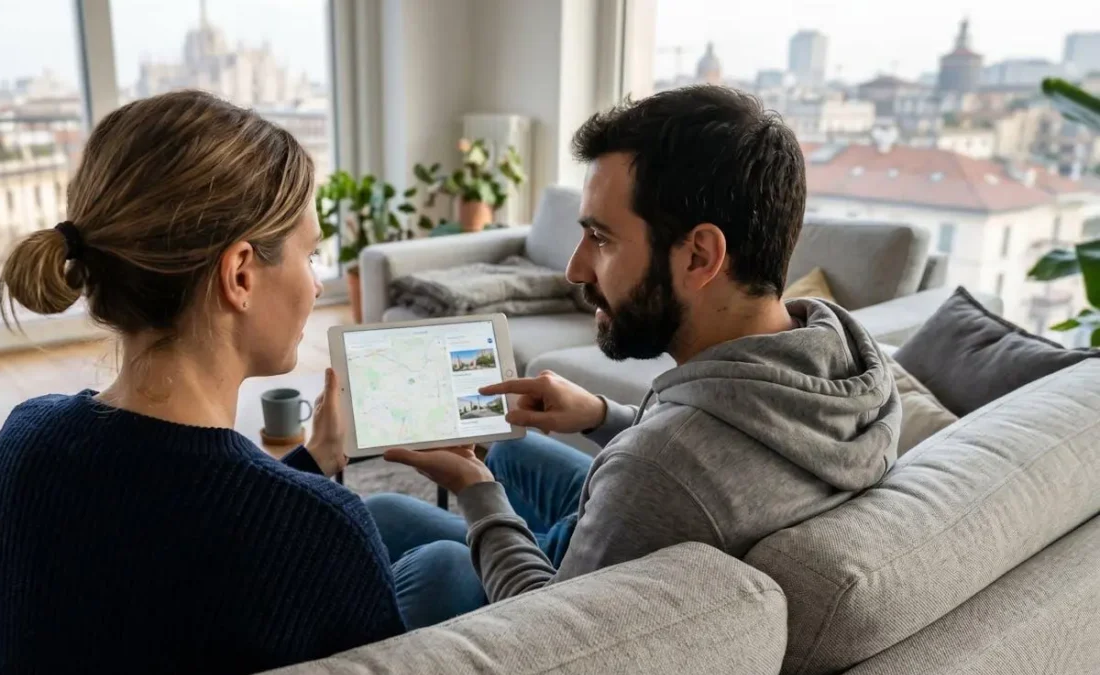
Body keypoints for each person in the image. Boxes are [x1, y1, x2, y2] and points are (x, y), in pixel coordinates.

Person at [367, 85, 901, 627]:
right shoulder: (852, 366)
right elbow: (715, 445)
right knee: (506, 453)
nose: (574, 270)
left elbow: (545, 635)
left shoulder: (657, 467)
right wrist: (602, 415)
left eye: (600, 237)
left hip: (575, 590)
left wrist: (475, 492)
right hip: (643, 531)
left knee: (430, 553)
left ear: (699, 256)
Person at [0, 91, 404, 675]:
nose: (316, 284)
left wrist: (311, 462)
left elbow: (23, 597)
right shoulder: (324, 531)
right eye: (311, 254)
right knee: (440, 564)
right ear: (240, 274)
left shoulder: (25, 438)